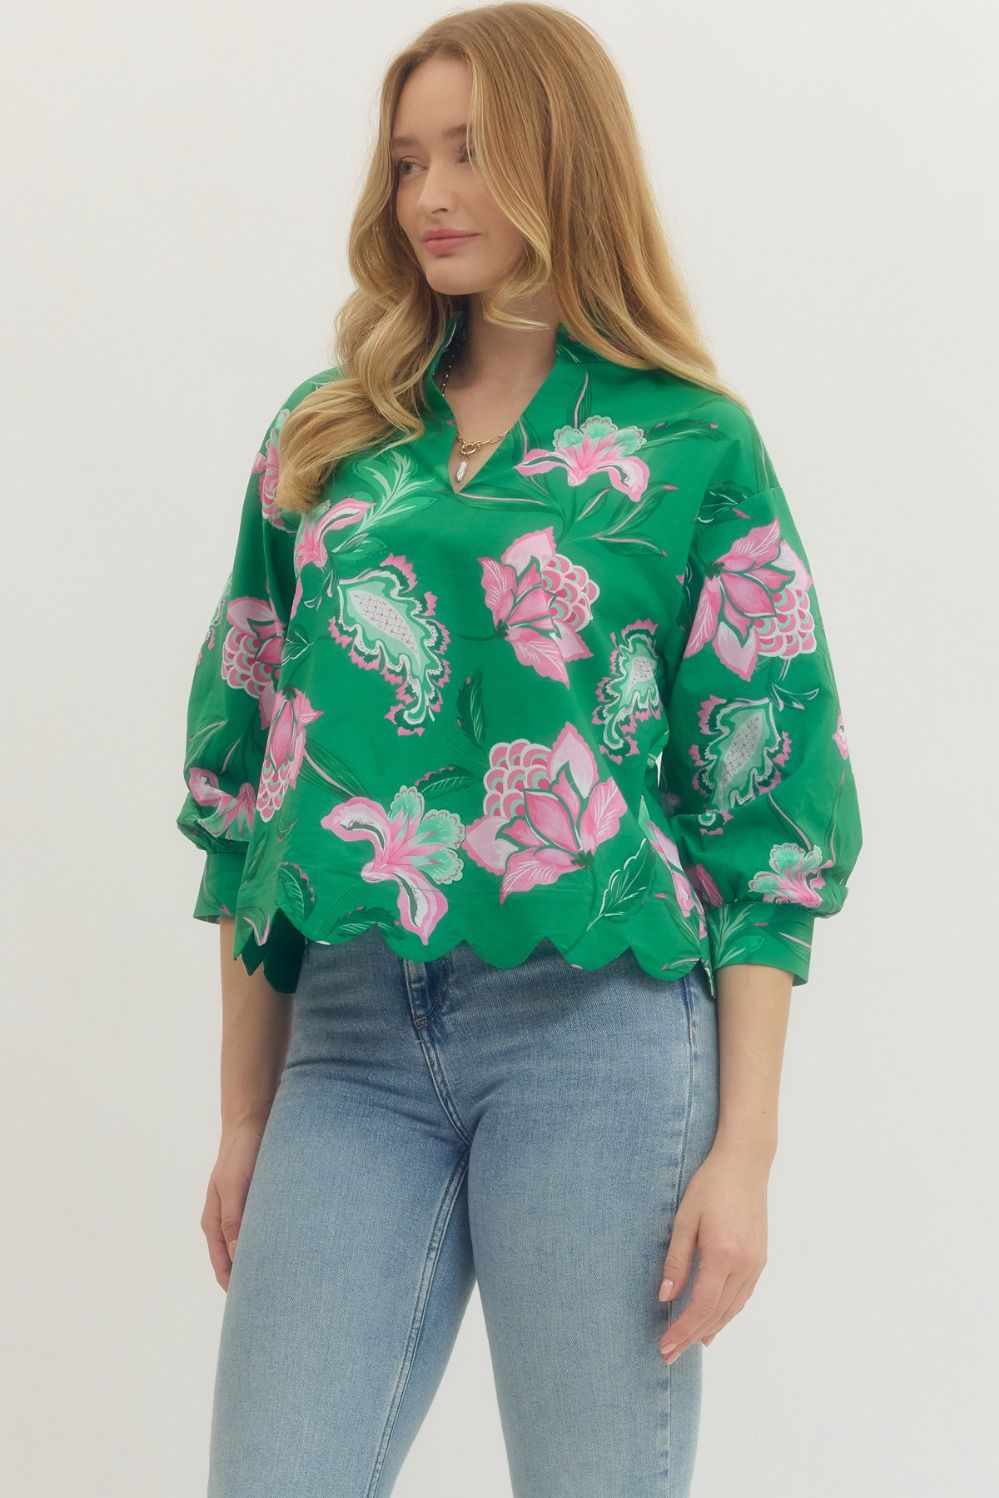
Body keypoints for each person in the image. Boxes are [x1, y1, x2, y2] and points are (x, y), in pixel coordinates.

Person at [176, 6, 863, 1494]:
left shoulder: (693, 444)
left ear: (566, 161)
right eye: (407, 160)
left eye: (472, 153)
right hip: (348, 1038)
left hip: (597, 1033)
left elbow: (763, 817)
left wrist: (745, 1152)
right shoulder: (326, 435)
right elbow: (251, 789)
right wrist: (243, 1110)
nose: (429, 195)